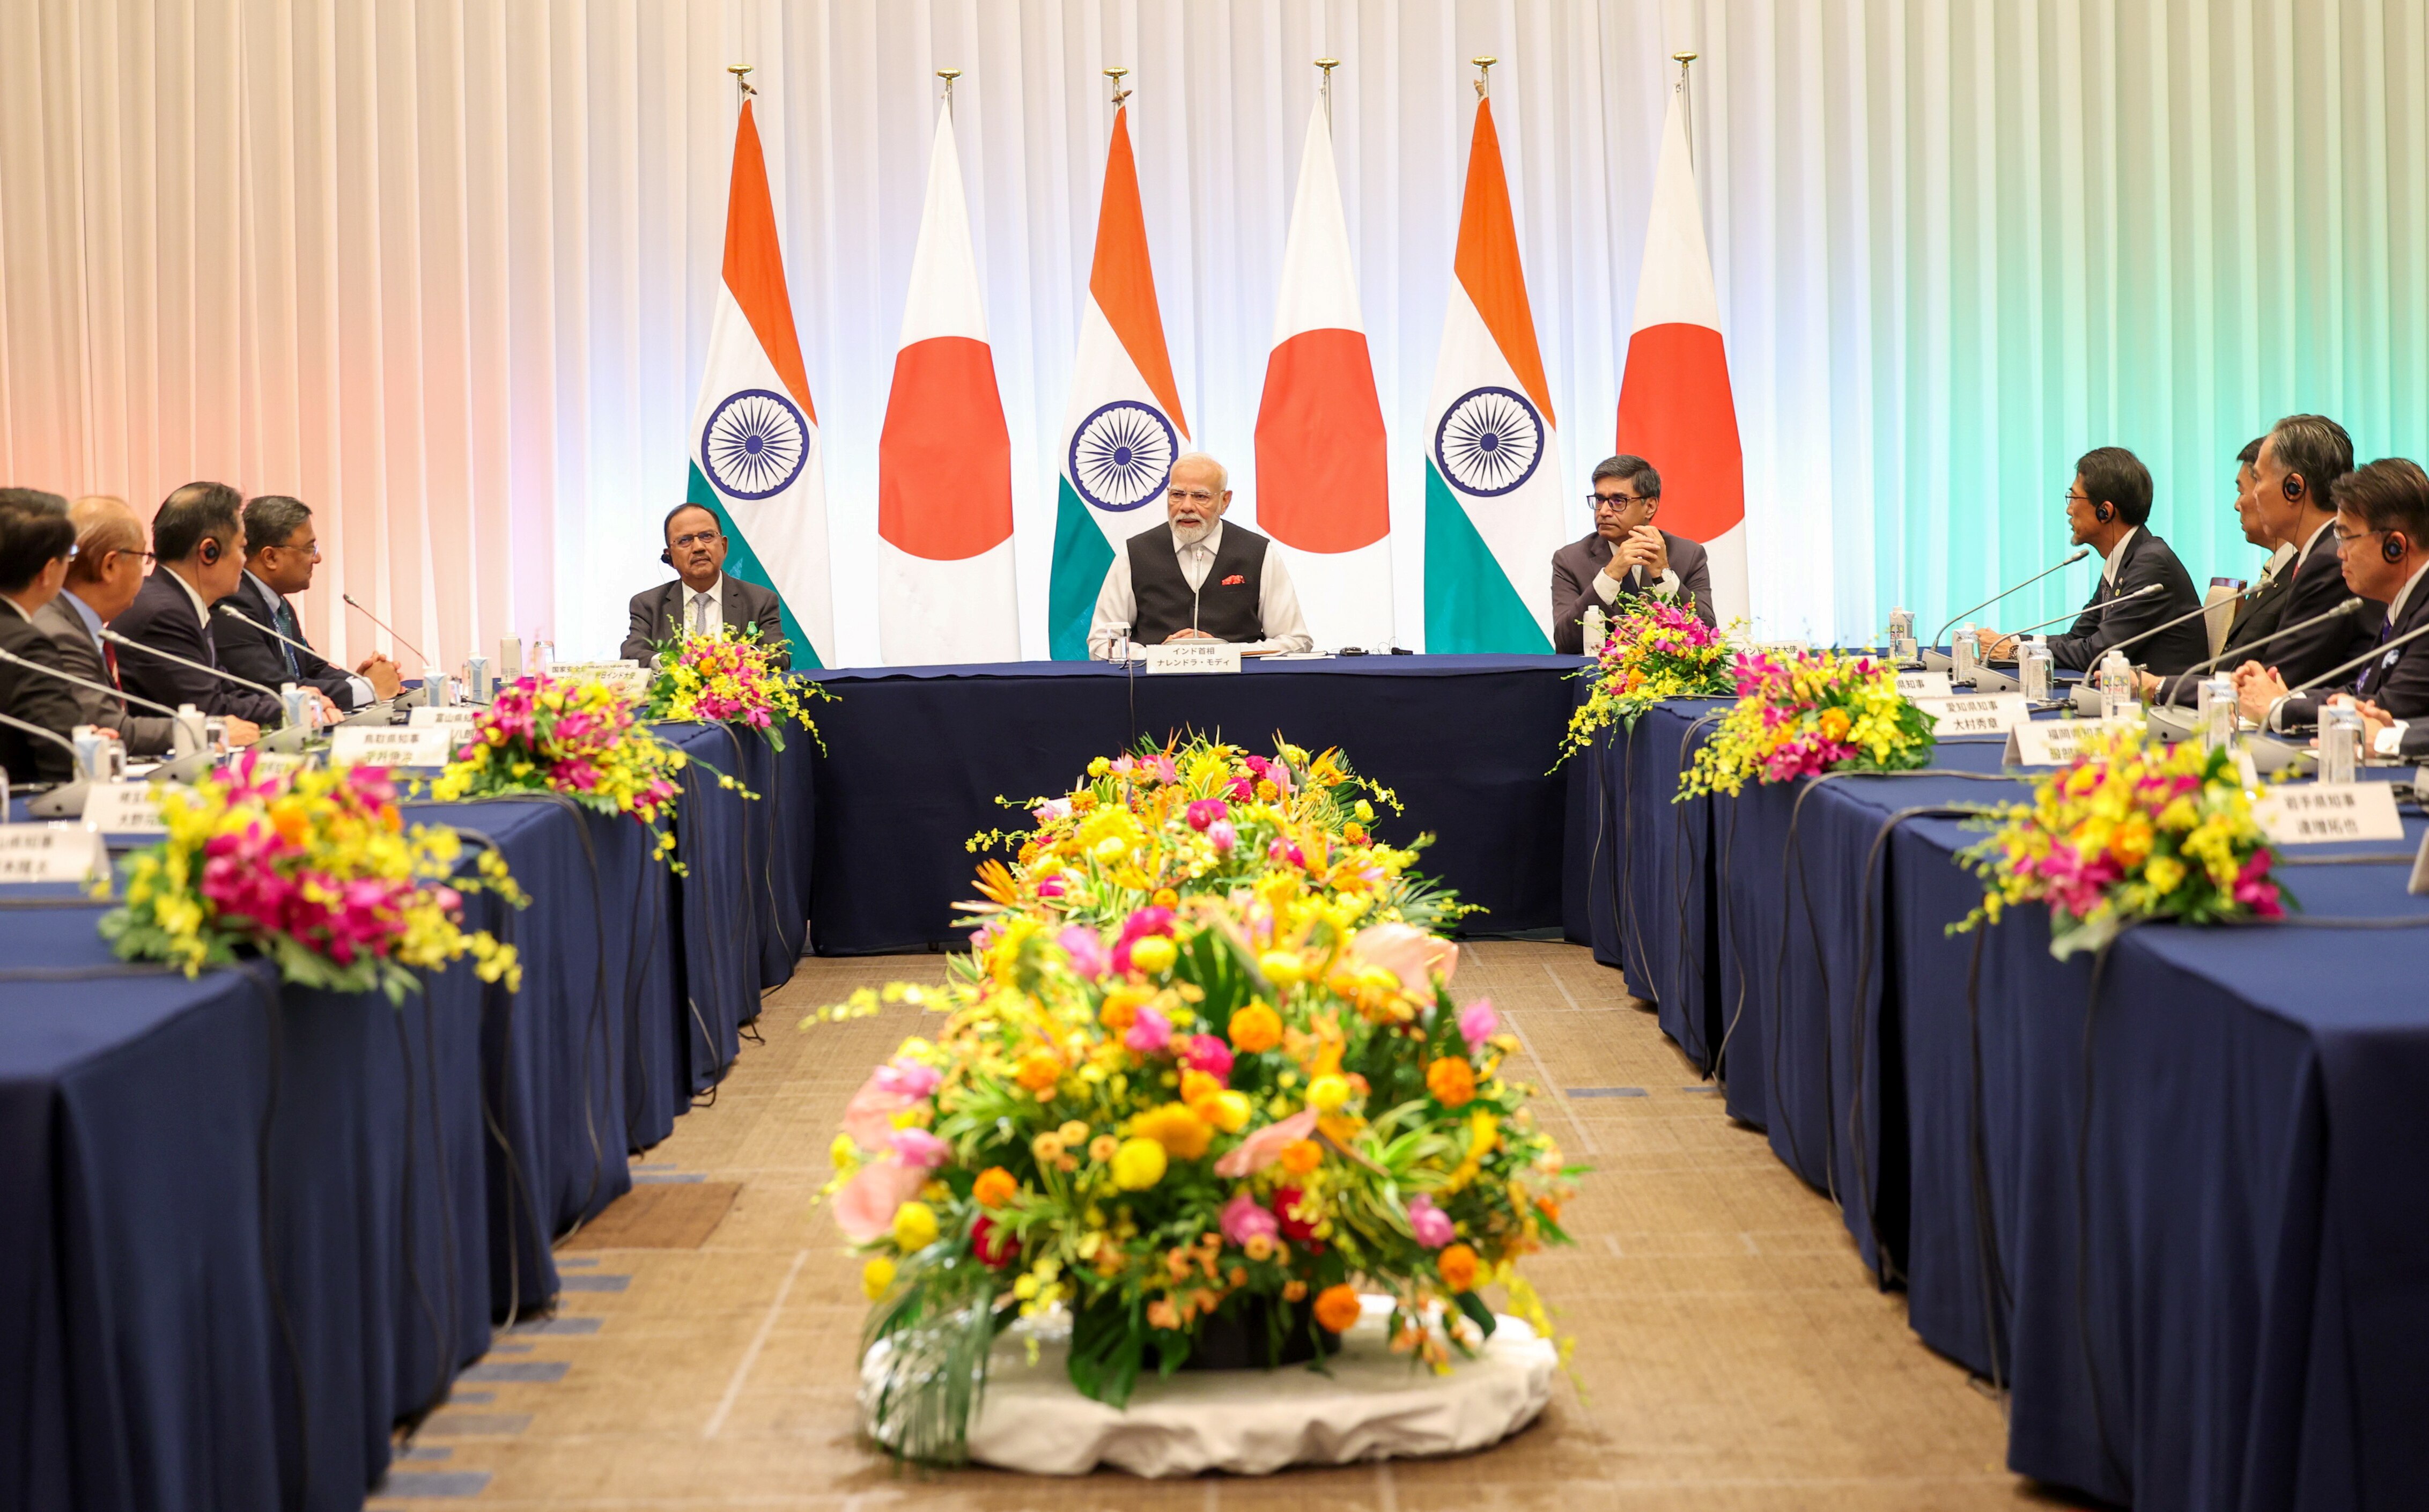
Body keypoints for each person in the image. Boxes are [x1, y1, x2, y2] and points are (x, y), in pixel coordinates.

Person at [30, 497, 260, 754]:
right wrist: (206, 731)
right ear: (110, 566)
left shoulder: (73, 623)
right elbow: (108, 727)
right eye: (143, 557)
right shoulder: (60, 633)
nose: (146, 571)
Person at [2234, 458, 2429, 758]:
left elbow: (2387, 709)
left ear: (2396, 547)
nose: (2340, 553)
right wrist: (2283, 700)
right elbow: (2361, 694)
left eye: (2347, 537)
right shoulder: (2404, 604)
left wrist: (2277, 707)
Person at [1981, 446, 2207, 674]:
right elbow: (2078, 638)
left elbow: (2097, 653)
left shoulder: (2151, 564)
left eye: (2074, 497)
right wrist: (2010, 641)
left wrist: (2015, 653)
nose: (2069, 509)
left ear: (2105, 511)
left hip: (2161, 705)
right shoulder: (2125, 559)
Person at [1087, 453, 1313, 658]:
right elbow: (1102, 644)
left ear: (1225, 501)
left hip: (1239, 691)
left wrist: (1228, 652)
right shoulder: (1135, 553)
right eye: (1177, 495)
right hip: (1154, 692)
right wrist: (1159, 655)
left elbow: (1295, 641)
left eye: (1201, 497)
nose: (1186, 506)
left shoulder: (1258, 552)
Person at [108, 482, 288, 726]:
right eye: (242, 548)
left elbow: (227, 691)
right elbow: (210, 709)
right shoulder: (164, 614)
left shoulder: (181, 602)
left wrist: (289, 702)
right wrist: (291, 708)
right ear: (209, 552)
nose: (245, 561)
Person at [212, 494, 402, 712]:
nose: (317, 558)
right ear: (270, 557)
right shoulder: (233, 607)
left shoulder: (279, 605)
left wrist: (361, 680)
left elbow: (313, 668)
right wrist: (369, 689)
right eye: (309, 548)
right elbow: (273, 687)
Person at [1549, 455, 1716, 654]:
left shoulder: (1688, 555)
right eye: (1600, 500)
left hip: (1668, 679)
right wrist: (1609, 576)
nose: (1603, 511)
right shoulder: (1570, 560)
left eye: (1618, 501)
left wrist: (1664, 575)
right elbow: (1565, 642)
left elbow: (1706, 635)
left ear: (1650, 506)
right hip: (1595, 679)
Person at [619, 503, 790, 664]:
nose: (699, 547)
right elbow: (631, 655)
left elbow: (779, 656)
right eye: (685, 540)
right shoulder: (648, 604)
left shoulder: (760, 600)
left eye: (707, 536)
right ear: (670, 556)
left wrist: (733, 657)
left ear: (723, 546)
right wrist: (677, 663)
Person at [0, 497, 85, 783]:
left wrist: (81, 735)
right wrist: (78, 744)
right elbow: (65, 764)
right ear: (47, 572)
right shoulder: (26, 645)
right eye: (69, 555)